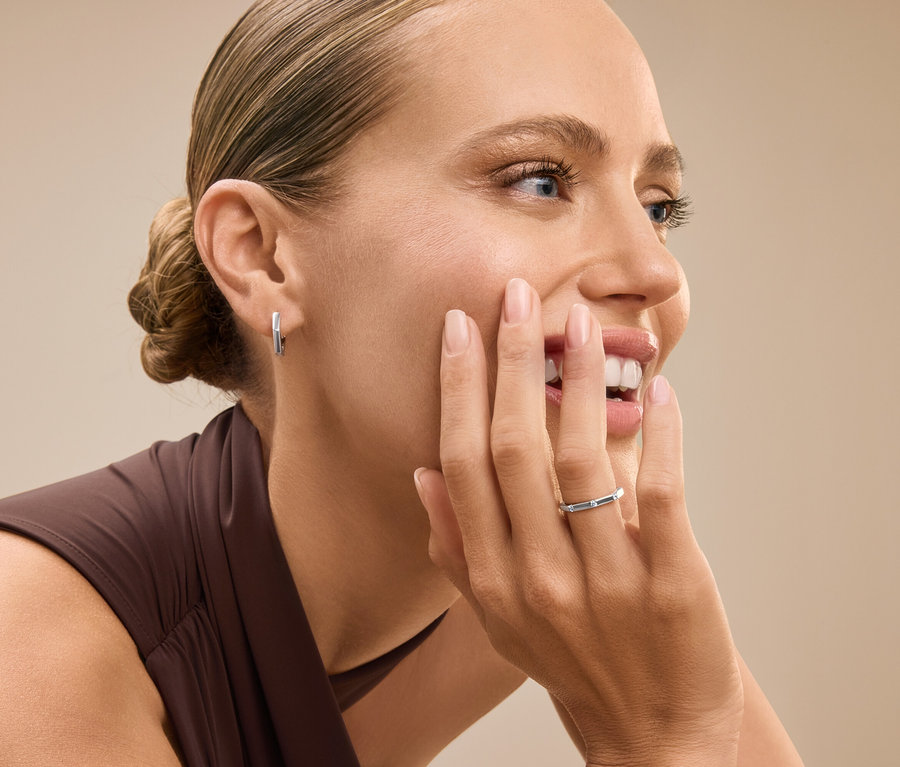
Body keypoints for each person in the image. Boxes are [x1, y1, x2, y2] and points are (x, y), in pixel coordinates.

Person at [0, 0, 805, 764]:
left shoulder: (559, 582)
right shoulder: (27, 639)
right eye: (538, 180)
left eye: (660, 206)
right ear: (261, 255)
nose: (654, 270)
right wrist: (657, 744)